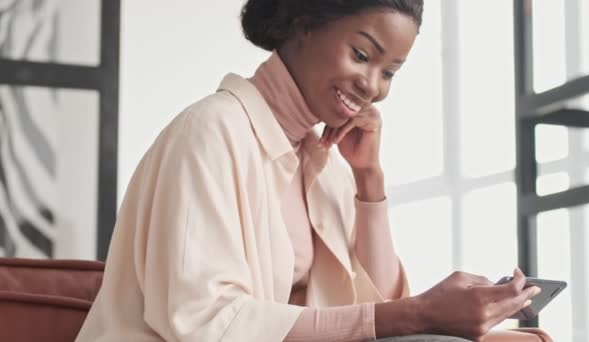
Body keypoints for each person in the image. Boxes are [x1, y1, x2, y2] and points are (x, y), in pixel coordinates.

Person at [76, 1, 553, 341]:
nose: (373, 86)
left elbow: (377, 307)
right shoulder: (210, 131)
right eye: (363, 55)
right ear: (305, 25)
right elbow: (206, 323)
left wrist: (370, 185)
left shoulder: (327, 165)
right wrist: (420, 313)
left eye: (390, 72)